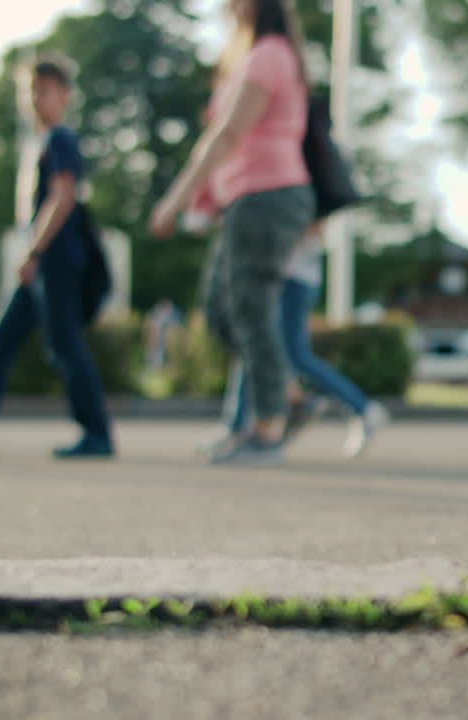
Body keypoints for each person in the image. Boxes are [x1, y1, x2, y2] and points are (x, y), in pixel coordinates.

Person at [149, 0, 315, 464]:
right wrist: (205, 201)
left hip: (269, 196)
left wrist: (175, 199)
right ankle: (289, 398)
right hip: (242, 200)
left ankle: (266, 430)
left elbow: (226, 136)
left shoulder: (270, 54)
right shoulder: (246, 59)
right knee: (222, 314)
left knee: (251, 310)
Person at [0, 59, 114, 458]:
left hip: (54, 262)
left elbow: (62, 197)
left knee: (64, 344)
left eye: (44, 90)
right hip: (38, 265)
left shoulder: (60, 140)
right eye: (30, 91)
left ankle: (97, 433)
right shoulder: (40, 142)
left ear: (65, 96)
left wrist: (34, 250)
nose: (35, 99)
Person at [217, 227, 388, 458]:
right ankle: (245, 423)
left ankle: (360, 407)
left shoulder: (298, 194)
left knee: (281, 351)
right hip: (285, 277)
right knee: (259, 347)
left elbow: (315, 229)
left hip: (292, 278)